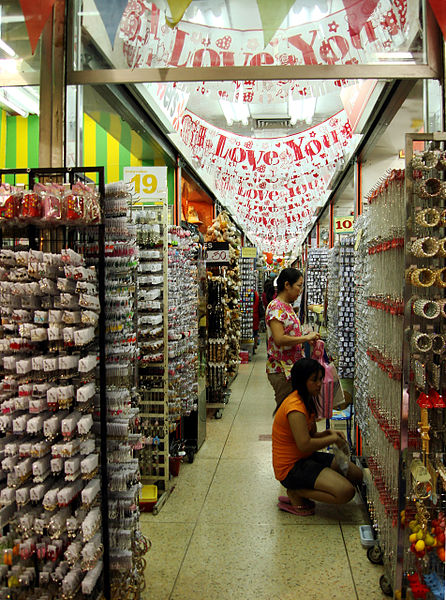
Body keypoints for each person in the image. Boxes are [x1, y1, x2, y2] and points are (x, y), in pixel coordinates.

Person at [272, 358, 363, 515]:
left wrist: (328, 433)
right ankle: (296, 492)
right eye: (314, 380)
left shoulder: (307, 400)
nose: (319, 384)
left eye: (320, 379)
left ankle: (314, 483)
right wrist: (332, 439)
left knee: (356, 474)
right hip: (291, 468)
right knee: (346, 492)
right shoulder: (295, 408)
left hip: (306, 457)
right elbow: (305, 444)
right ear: (302, 381)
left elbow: (312, 435)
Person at [265, 267, 319, 405]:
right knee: (287, 410)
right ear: (287, 285)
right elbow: (279, 339)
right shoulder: (276, 307)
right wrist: (305, 339)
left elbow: (291, 331)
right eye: (299, 286)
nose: (300, 291)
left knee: (294, 408)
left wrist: (307, 336)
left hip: (292, 368)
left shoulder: (287, 306)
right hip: (281, 370)